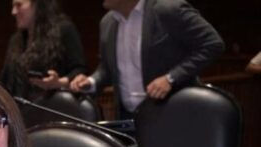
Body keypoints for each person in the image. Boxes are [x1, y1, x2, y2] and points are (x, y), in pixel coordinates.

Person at [69, 0, 224, 118]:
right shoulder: (107, 23)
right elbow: (107, 68)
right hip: (128, 120)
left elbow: (212, 43)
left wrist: (171, 78)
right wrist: (91, 82)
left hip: (173, 116)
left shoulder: (169, 9)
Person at [0, 0, 87, 100]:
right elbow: (4, 81)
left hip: (53, 105)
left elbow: (79, 70)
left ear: (37, 5)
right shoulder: (15, 40)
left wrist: (59, 82)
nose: (13, 12)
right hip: (20, 107)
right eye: (13, 6)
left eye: (19, 5)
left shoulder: (64, 30)